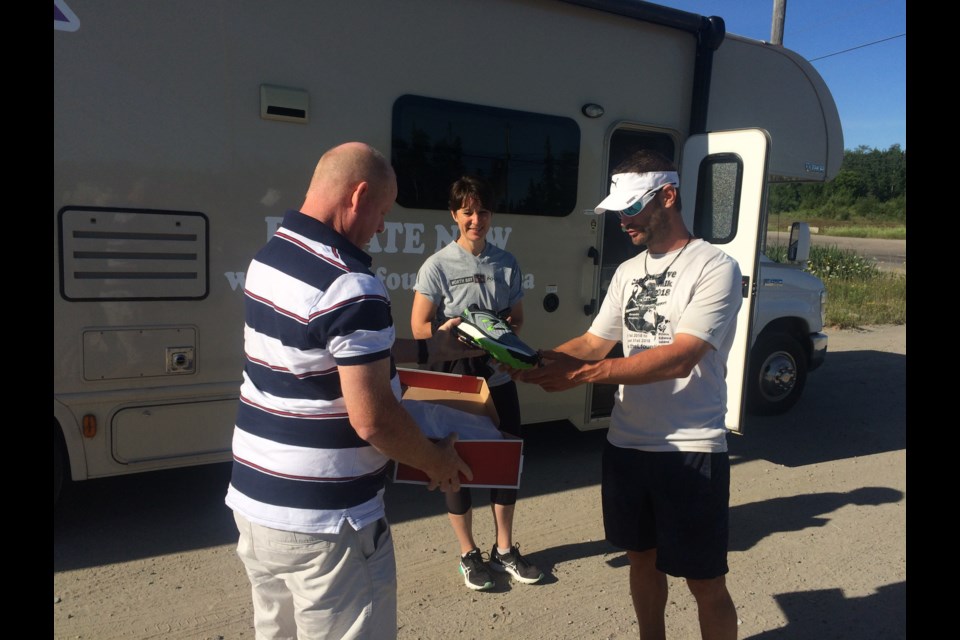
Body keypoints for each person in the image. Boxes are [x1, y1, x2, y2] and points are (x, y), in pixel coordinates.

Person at [225, 142, 481, 640]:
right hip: (329, 523)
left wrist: (430, 350)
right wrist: (437, 462)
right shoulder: (351, 284)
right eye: (382, 212)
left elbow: (322, 348)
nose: (382, 227)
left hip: (257, 506)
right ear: (358, 195)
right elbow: (374, 420)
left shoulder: (271, 256)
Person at [516, 149, 741, 639]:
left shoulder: (714, 266)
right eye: (618, 208)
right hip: (626, 445)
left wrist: (580, 375)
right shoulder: (628, 271)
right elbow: (592, 343)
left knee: (705, 582)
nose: (623, 219)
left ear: (668, 195)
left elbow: (682, 356)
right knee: (642, 559)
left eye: (633, 207)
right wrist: (531, 360)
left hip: (690, 448)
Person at [410, 175, 543, 591]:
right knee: (456, 464)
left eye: (482, 211)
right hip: (456, 382)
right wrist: (447, 328)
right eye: (467, 211)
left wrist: (499, 329)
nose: (475, 219)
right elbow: (417, 326)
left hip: (499, 377)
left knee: (506, 464)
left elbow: (518, 319)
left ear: (491, 215)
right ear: (454, 215)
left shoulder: (506, 262)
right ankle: (469, 554)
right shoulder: (437, 265)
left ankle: (503, 550)